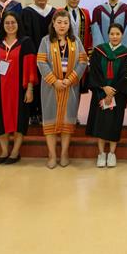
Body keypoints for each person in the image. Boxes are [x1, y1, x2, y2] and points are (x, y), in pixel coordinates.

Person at [0, 12, 37, 164]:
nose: (10, 26)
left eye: (13, 22)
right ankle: (4, 150)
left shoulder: (26, 42)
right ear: (2, 25)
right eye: (7, 23)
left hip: (20, 89)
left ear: (18, 24)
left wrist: (30, 88)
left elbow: (31, 66)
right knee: (0, 120)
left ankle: (15, 151)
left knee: (20, 120)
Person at [37, 10, 89, 169]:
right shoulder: (45, 41)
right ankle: (52, 154)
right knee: (50, 120)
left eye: (65, 23)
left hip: (70, 87)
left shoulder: (76, 41)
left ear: (70, 25)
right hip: (50, 88)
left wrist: (70, 79)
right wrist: (54, 81)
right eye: (59, 22)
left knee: (68, 120)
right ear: (53, 23)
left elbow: (83, 61)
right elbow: (41, 62)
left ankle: (64, 153)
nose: (62, 25)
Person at [86, 23, 127, 168]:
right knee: (100, 123)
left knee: (114, 123)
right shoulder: (99, 51)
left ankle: (112, 153)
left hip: (117, 96)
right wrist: (103, 88)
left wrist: (113, 92)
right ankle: (101, 154)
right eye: (112, 34)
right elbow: (93, 71)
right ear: (108, 35)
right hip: (100, 93)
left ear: (122, 36)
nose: (114, 37)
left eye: (117, 34)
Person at [21, 0, 56, 124]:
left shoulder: (53, 12)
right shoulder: (26, 12)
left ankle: (45, 113)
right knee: (33, 82)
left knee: (48, 83)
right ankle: (32, 113)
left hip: (51, 56)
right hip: (32, 54)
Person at [64, 0, 93, 95]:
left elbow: (89, 35)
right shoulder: (61, 11)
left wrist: (89, 53)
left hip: (81, 51)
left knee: (79, 82)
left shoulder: (85, 13)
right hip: (65, 52)